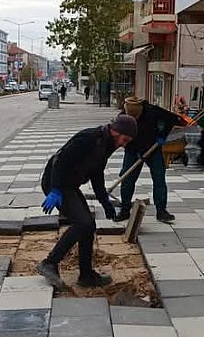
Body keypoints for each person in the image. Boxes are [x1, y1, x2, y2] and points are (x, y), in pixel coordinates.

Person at [35, 114, 138, 288]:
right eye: (124, 139)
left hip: (69, 185)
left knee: (89, 225)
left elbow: (97, 175)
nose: (123, 144)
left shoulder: (107, 145)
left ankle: (86, 275)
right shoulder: (89, 138)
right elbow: (60, 161)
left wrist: (105, 201)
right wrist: (55, 189)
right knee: (82, 222)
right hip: (57, 183)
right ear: (115, 131)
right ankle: (49, 263)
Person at [115, 97, 185, 223]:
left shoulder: (152, 111)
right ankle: (125, 210)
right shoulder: (122, 117)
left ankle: (161, 211)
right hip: (133, 151)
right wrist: (133, 149)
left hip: (153, 149)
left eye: (136, 116)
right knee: (127, 178)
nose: (134, 119)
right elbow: (119, 136)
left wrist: (162, 136)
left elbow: (174, 119)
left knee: (159, 178)